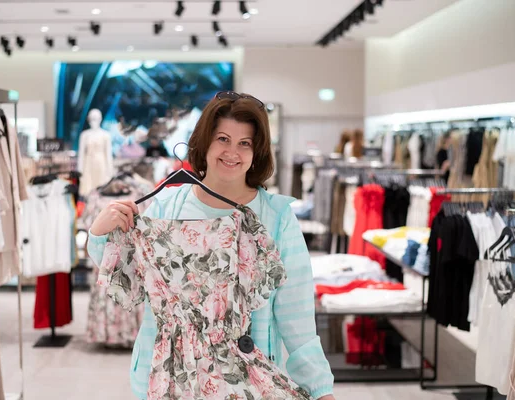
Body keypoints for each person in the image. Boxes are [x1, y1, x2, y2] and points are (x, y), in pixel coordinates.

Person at [87, 91, 335, 400]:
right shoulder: (166, 206)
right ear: (204, 143)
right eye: (223, 139)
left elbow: (296, 315)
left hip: (249, 379)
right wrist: (99, 233)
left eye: (244, 143)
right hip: (167, 377)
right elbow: (128, 278)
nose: (233, 151)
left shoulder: (276, 217)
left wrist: (320, 390)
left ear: (256, 151)